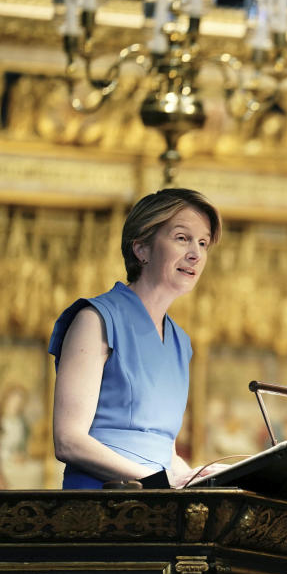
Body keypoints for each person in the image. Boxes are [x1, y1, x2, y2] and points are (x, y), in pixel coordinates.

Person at [49, 188, 221, 489]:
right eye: (182, 238)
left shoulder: (181, 342)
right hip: (101, 501)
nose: (196, 253)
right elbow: (68, 441)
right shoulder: (95, 319)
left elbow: (160, 450)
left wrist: (195, 475)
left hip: (155, 501)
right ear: (141, 249)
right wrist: (158, 481)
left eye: (203, 242)